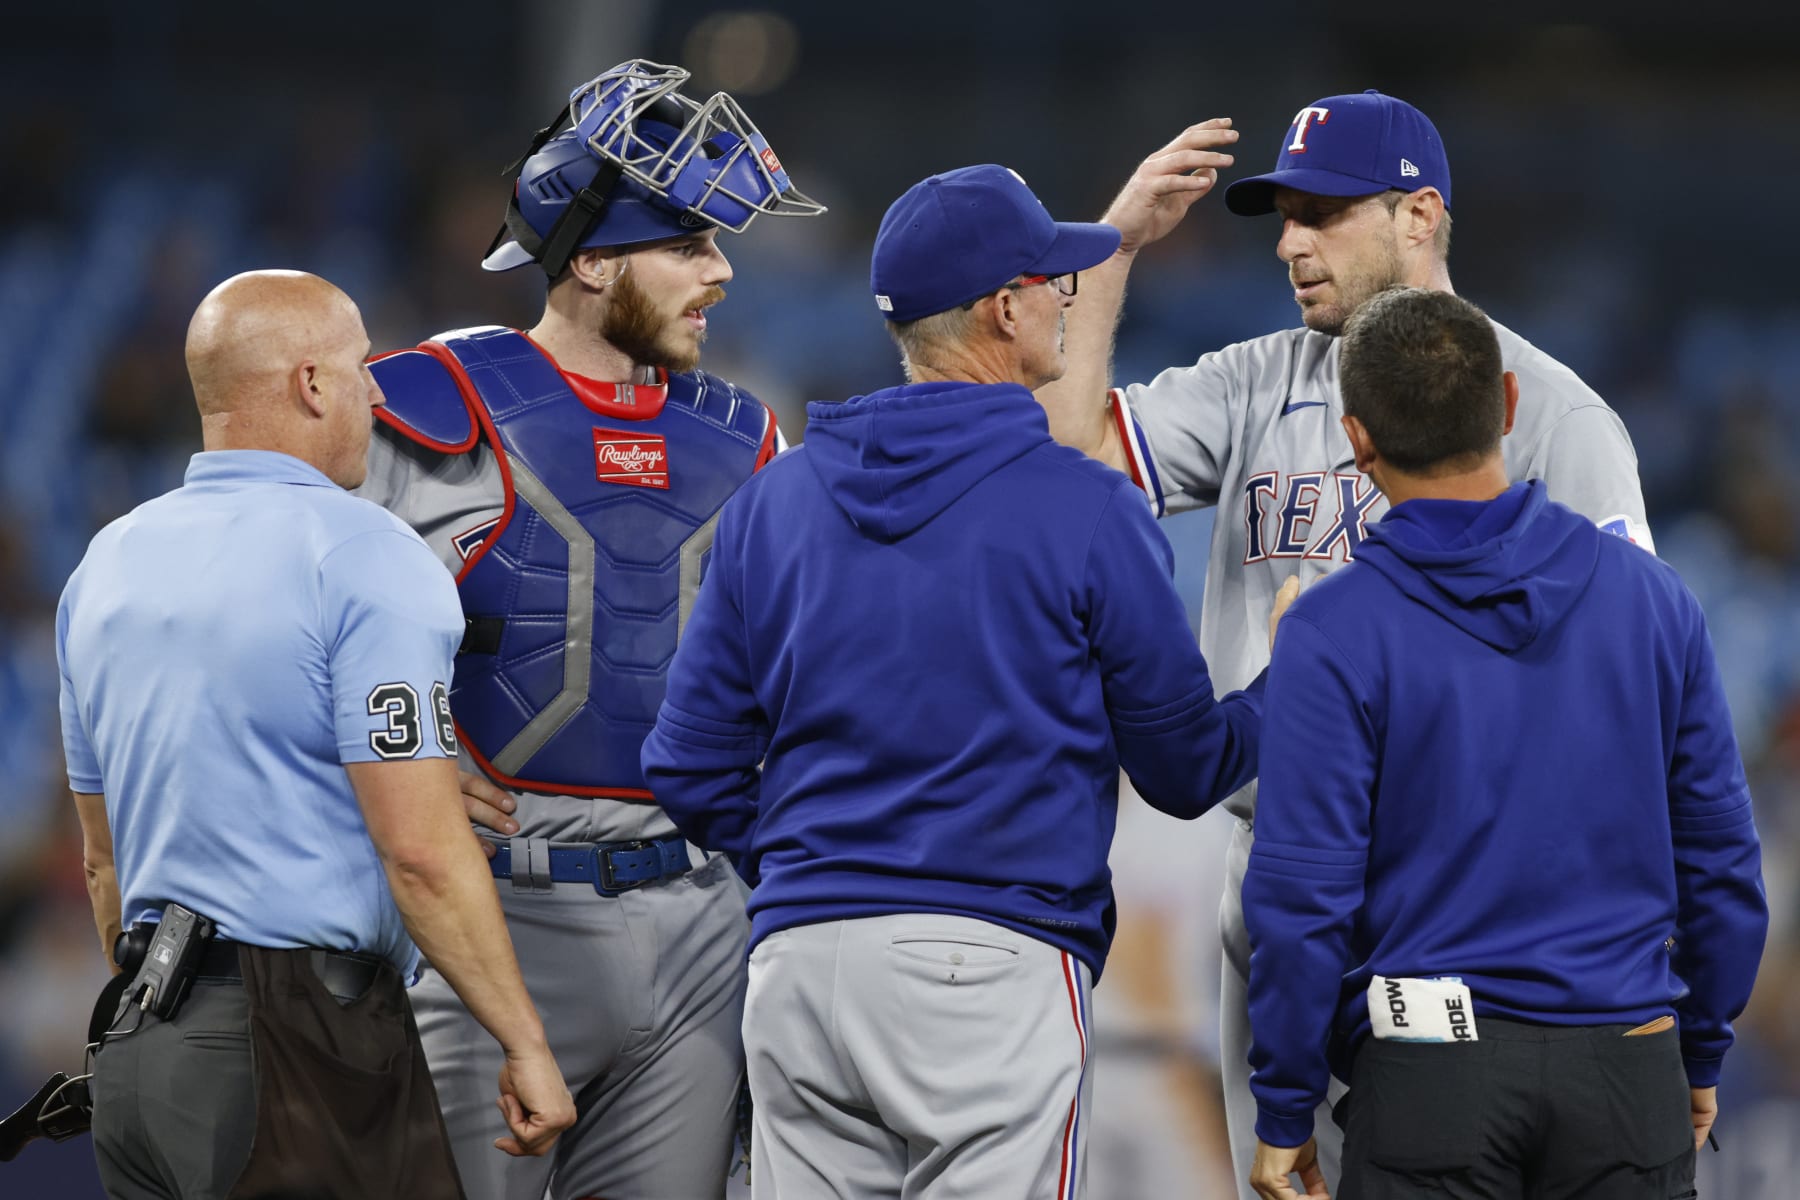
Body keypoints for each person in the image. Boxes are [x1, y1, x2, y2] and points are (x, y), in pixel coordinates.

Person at [1034, 89, 1655, 1195]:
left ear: (1420, 216)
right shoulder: (1255, 381)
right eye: (1284, 215)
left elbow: (1628, 688)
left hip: (1459, 888)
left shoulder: (1556, 416)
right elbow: (1067, 464)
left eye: (1324, 214)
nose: (1289, 243)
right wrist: (1114, 247)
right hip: (1273, 874)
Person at [642, 163, 1285, 1200]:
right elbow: (1183, 768)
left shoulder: (779, 498)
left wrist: (821, 862)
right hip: (988, 964)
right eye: (1049, 280)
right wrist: (1296, 675)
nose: (1062, 298)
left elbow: (685, 764)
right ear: (1003, 307)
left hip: (803, 962)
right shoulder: (1084, 507)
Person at [354, 59, 824, 1200]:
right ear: (595, 259)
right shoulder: (429, 402)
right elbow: (287, 622)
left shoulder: (748, 434)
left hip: (703, 915)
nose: (720, 273)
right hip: (498, 910)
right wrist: (381, 741)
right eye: (691, 244)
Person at [1241, 286, 1769, 1200]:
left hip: (1426, 1070)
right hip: (1626, 1062)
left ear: (1356, 439)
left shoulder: (1332, 630)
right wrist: (1702, 1047)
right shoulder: (1653, 600)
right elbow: (1723, 865)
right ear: (1511, 407)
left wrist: (1286, 1109)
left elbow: (1299, 899)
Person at [56, 270, 575, 1200]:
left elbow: (104, 866)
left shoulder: (107, 561)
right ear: (310, 384)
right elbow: (419, 852)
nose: (379, 392)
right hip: (299, 1044)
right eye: (361, 365)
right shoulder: (364, 550)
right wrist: (524, 1040)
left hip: (140, 1048)